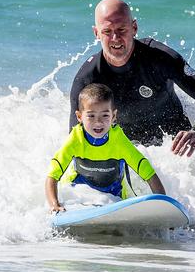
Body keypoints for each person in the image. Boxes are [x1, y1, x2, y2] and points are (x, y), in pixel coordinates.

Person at [70, 0, 195, 157]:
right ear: (96, 33)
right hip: (127, 151)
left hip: (177, 150)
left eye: (121, 29)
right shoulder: (88, 78)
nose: (115, 38)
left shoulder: (160, 58)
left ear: (134, 27)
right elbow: (74, 141)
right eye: (107, 31)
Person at [46, 83, 166, 212]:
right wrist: (54, 204)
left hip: (114, 197)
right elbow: (52, 175)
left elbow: (147, 171)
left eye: (105, 115)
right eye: (91, 115)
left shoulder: (118, 141)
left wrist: (163, 204)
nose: (98, 122)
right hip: (78, 193)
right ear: (79, 117)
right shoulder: (76, 140)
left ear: (113, 116)